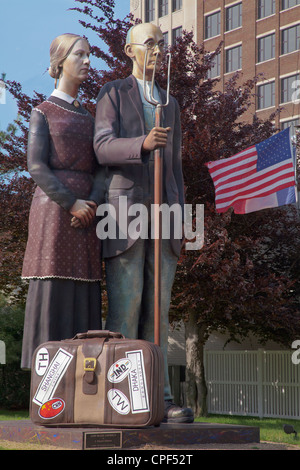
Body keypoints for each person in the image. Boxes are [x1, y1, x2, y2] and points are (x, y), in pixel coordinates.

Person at [93, 22, 194, 423]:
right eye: (149, 43)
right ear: (130, 50)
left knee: (160, 311)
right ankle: (118, 397)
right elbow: (102, 146)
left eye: (160, 44)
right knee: (127, 305)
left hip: (164, 217)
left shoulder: (170, 103)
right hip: (124, 214)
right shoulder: (113, 93)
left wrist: (182, 218)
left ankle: (161, 398)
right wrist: (142, 144)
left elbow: (176, 170)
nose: (157, 50)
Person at [21, 33, 103, 370]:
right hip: (54, 214)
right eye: (79, 55)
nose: (86, 61)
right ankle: (47, 376)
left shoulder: (92, 116)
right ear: (59, 63)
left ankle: (84, 378)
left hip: (89, 218)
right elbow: (36, 165)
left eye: (89, 55)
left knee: (85, 290)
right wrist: (72, 203)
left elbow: (102, 168)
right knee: (53, 288)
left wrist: (93, 204)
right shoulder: (43, 111)